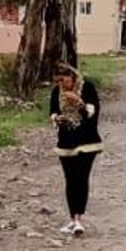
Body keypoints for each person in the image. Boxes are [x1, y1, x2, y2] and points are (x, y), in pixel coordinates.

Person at [48, 61, 102, 236]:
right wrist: (57, 119)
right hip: (66, 142)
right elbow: (53, 111)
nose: (61, 85)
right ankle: (72, 219)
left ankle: (79, 218)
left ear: (72, 77)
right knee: (70, 180)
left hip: (87, 141)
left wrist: (79, 103)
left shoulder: (87, 89)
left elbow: (92, 114)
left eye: (63, 80)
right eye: (58, 81)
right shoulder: (57, 92)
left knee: (81, 178)